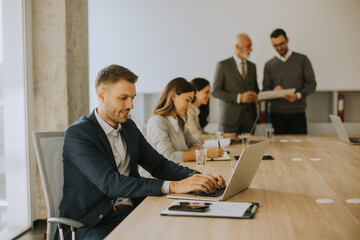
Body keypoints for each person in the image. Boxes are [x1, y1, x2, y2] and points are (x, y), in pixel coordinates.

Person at [58, 65, 226, 240]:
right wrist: (173, 186)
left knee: (186, 229)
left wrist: (197, 177)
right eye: (123, 98)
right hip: (93, 222)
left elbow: (159, 165)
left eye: (132, 98)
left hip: (133, 211)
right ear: (101, 95)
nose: (130, 105)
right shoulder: (79, 134)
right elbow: (110, 183)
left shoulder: (128, 127)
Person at [146, 77, 224, 164]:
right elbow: (169, 157)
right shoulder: (157, 122)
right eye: (187, 100)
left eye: (191, 101)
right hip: (159, 177)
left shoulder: (179, 121)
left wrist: (181, 155)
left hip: (177, 172)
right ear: (174, 96)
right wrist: (203, 153)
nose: (190, 106)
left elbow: (198, 144)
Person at [263, 28, 316, 134]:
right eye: (275, 45)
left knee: (300, 147)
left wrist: (297, 96)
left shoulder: (302, 59)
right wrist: (274, 91)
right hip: (277, 114)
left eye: (281, 44)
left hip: (297, 112)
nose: (279, 47)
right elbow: (265, 89)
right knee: (279, 149)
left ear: (287, 40)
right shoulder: (269, 65)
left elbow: (312, 84)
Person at [212, 33, 259, 134]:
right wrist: (239, 97)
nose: (251, 49)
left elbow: (256, 88)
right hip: (229, 120)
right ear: (238, 46)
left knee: (250, 149)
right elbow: (215, 91)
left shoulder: (252, 66)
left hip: (250, 120)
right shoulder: (222, 65)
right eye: (248, 46)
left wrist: (256, 95)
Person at [186, 78, 240, 143]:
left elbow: (202, 134)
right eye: (206, 92)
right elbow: (197, 137)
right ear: (195, 92)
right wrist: (223, 137)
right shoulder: (188, 111)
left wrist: (222, 135)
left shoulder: (196, 111)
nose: (210, 96)